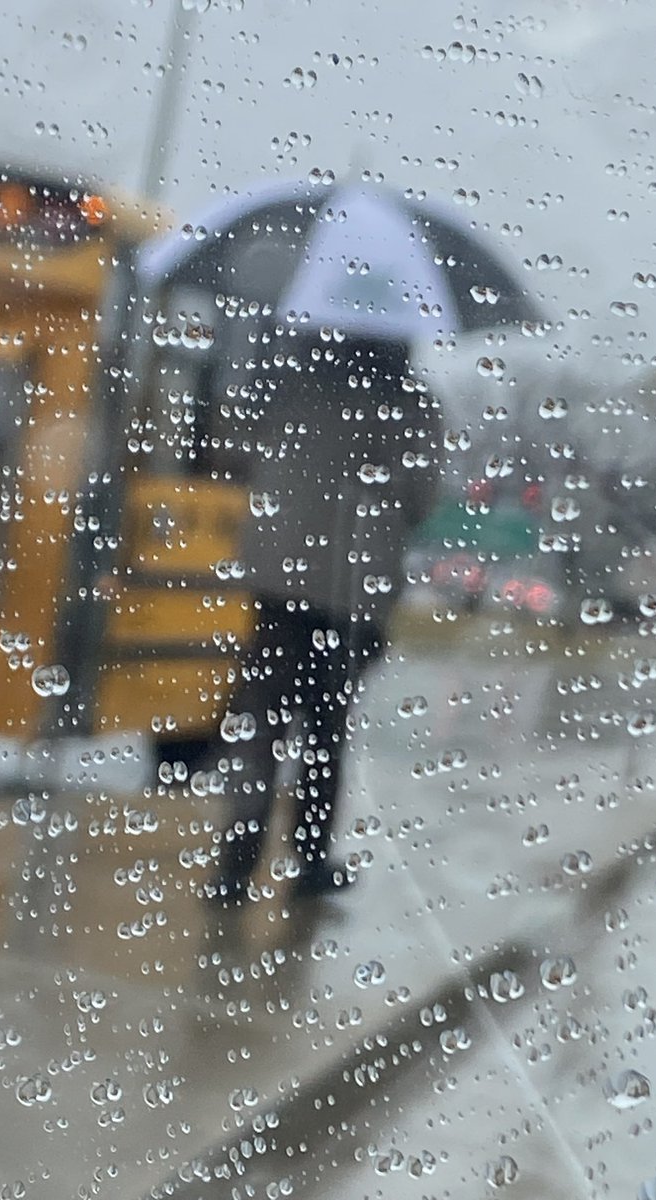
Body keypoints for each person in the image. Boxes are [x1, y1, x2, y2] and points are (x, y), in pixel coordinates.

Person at [209, 331, 442, 902]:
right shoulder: (410, 401)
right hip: (352, 595)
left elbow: (234, 447)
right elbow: (421, 499)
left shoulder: (292, 383)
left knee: (261, 729)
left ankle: (232, 870)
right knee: (325, 733)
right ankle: (307, 864)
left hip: (276, 580)